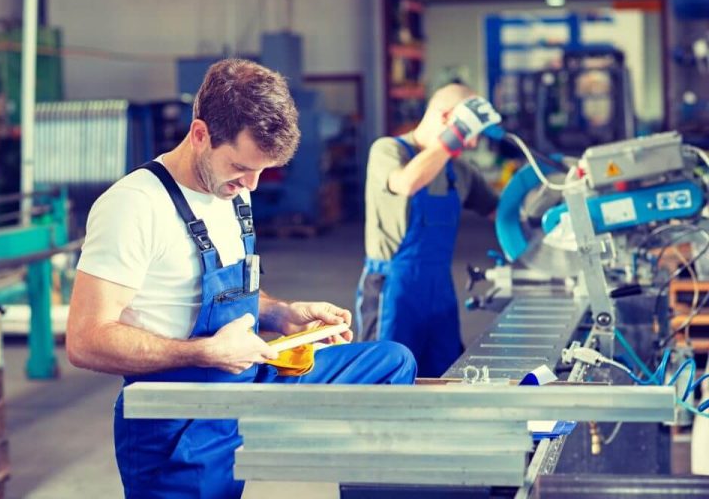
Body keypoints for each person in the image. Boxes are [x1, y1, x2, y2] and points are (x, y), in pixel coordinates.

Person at [66, 58, 416, 499]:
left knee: (392, 362)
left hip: (247, 380)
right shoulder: (134, 206)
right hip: (180, 417)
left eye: (262, 172)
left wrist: (282, 313)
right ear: (199, 135)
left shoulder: (232, 191)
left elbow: (230, 291)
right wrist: (207, 352)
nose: (251, 184)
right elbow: (85, 340)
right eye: (241, 167)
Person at [355, 84, 501, 378]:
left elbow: (502, 212)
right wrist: (454, 138)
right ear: (448, 119)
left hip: (440, 290)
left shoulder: (459, 170)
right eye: (469, 134)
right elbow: (407, 183)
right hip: (393, 289)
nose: (471, 145)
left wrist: (554, 194)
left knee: (445, 374)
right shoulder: (388, 150)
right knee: (384, 376)